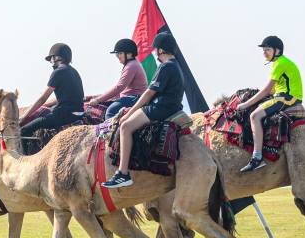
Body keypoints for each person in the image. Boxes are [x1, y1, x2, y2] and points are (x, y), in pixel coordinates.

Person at [102, 32, 185, 188]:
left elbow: (148, 93)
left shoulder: (165, 66)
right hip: (170, 107)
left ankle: (123, 173)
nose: (155, 52)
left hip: (159, 108)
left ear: (161, 50)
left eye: (155, 49)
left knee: (125, 127)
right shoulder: (176, 65)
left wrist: (130, 112)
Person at [236, 35, 304, 172]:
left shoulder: (280, 64)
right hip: (284, 96)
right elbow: (272, 89)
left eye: (267, 49)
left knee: (254, 116)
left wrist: (245, 104)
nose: (264, 53)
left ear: (277, 50)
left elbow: (267, 90)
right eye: (263, 50)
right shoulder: (280, 63)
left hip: (285, 98)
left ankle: (257, 157)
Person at [20, 43, 85, 139]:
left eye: (51, 58)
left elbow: (42, 98)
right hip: (79, 112)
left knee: (24, 130)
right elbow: (66, 96)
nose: (51, 61)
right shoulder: (74, 71)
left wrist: (24, 117)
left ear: (57, 57)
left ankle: (27, 149)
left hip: (66, 114)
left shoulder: (58, 72)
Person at [88, 38, 148, 120]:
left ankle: (113, 129)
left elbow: (119, 87)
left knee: (111, 111)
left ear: (129, 54)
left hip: (134, 98)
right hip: (131, 97)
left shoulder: (131, 66)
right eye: (116, 54)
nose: (118, 57)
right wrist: (100, 97)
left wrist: (98, 100)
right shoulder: (131, 64)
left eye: (120, 53)